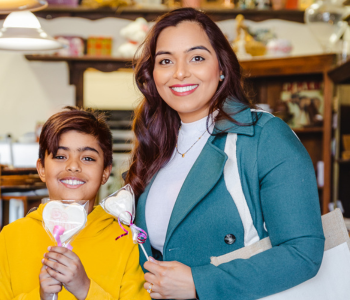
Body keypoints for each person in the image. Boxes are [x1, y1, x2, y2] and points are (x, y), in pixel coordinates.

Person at [125, 8, 325, 300]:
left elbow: (303, 251)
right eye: (166, 60)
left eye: (197, 57)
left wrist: (199, 282)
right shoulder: (155, 145)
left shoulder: (264, 136)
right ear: (153, 75)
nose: (180, 72)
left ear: (221, 67)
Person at [0, 107, 151, 300]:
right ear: (41, 168)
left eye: (88, 158)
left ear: (105, 172)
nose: (73, 166)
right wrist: (41, 296)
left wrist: (85, 289)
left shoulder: (125, 240)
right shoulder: (11, 238)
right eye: (60, 156)